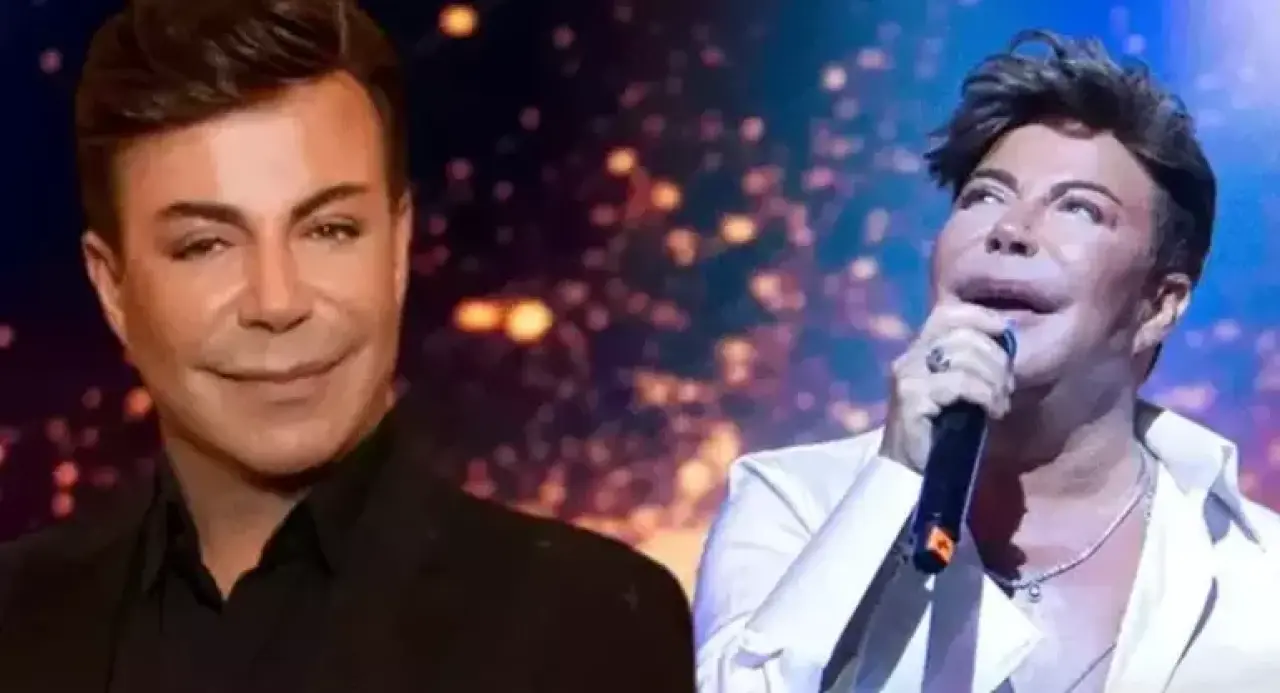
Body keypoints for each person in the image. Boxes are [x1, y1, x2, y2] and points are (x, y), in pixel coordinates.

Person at [0, 1, 695, 691]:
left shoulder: (590, 625)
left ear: (397, 246)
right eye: (205, 244)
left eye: (328, 230)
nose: (278, 301)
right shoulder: (16, 619)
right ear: (112, 287)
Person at [693, 30, 1280, 693]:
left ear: (1159, 304)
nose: (1010, 230)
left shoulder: (1257, 580)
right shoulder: (795, 502)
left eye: (1079, 209)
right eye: (984, 197)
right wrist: (895, 481)